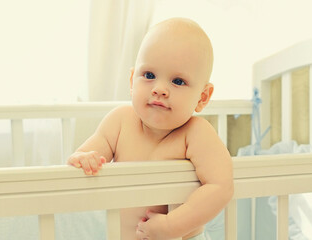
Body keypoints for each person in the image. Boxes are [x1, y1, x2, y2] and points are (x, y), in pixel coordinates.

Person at [68, 17, 234, 240]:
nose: (160, 89)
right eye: (149, 75)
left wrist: (172, 225)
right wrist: (84, 158)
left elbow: (220, 187)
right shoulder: (119, 122)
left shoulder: (196, 133)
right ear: (131, 80)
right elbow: (85, 157)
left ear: (202, 97)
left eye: (177, 81)